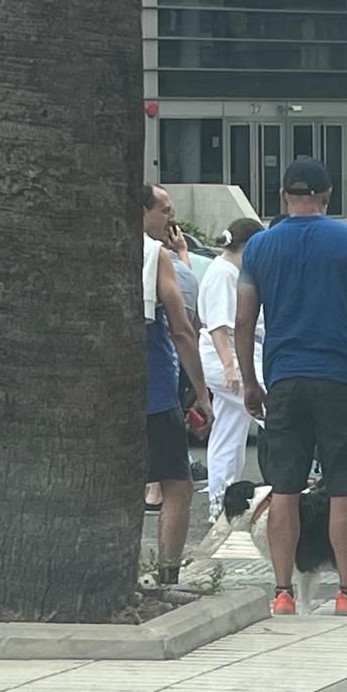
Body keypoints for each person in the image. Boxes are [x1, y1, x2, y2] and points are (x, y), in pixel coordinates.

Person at [236, 157, 347, 617]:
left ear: (283, 195)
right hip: (339, 376)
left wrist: (251, 381)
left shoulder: (259, 247)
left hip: (284, 377)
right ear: (327, 195)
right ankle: (345, 593)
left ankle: (281, 594)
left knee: (284, 488)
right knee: (343, 488)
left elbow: (243, 321)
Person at [142, 183, 214, 584]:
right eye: (165, 209)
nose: (172, 217)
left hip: (103, 391)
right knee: (177, 485)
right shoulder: (154, 257)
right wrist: (201, 395)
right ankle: (167, 575)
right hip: (153, 391)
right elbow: (183, 330)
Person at [197, 217, 265, 521]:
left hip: (226, 358)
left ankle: (220, 502)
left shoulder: (224, 270)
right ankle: (223, 501)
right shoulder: (225, 274)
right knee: (271, 412)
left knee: (228, 430)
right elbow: (220, 327)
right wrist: (230, 367)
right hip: (229, 358)